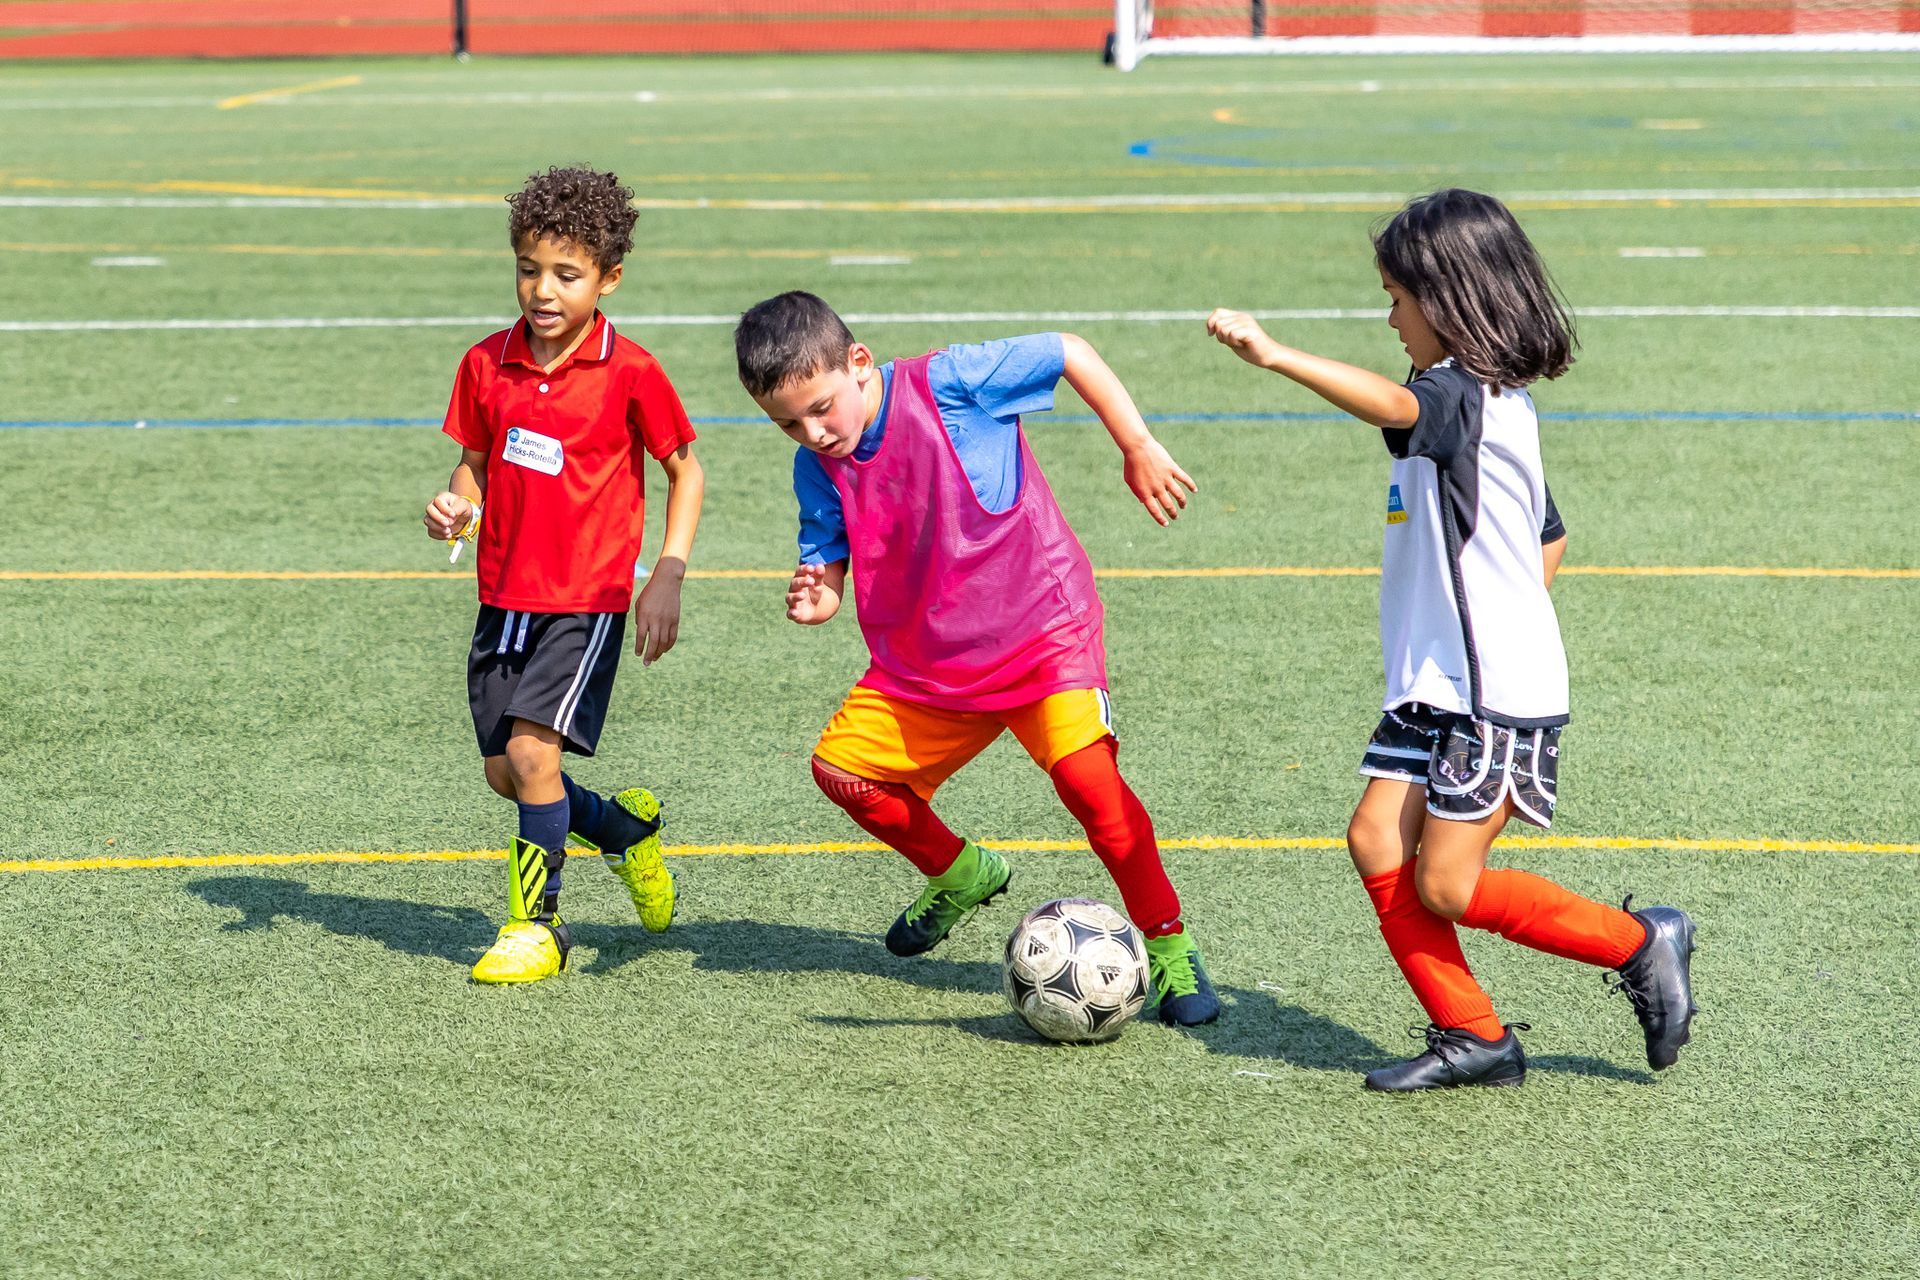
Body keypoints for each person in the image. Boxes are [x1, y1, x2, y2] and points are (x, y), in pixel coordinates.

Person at [1207, 188, 1696, 1088]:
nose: (1388, 315)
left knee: (1449, 885)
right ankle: (1474, 1034)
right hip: (1436, 687)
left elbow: (1395, 405)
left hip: (1490, 693)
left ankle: (1641, 942)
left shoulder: (1461, 398)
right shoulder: (1487, 407)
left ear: (1450, 295)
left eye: (1397, 297)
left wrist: (1275, 356)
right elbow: (1548, 535)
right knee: (1377, 842)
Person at [734, 290, 1219, 1026]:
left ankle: (1170, 946)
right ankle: (960, 873)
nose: (812, 432)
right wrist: (816, 596)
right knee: (844, 772)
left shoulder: (951, 382)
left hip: (1041, 636)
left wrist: (1137, 443)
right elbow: (828, 567)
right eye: (788, 424)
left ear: (858, 364)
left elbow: (1069, 348)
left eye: (822, 407)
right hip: (928, 668)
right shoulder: (818, 470)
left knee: (1095, 791)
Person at [424, 165, 705, 985]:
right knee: (506, 773)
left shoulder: (632, 371)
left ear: (608, 279)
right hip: (502, 595)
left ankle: (536, 928)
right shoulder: (485, 363)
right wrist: (456, 510)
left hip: (586, 600)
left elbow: (686, 470)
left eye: (566, 275)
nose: (543, 290)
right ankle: (623, 832)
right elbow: (472, 465)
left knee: (532, 754)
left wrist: (668, 575)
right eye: (528, 268)